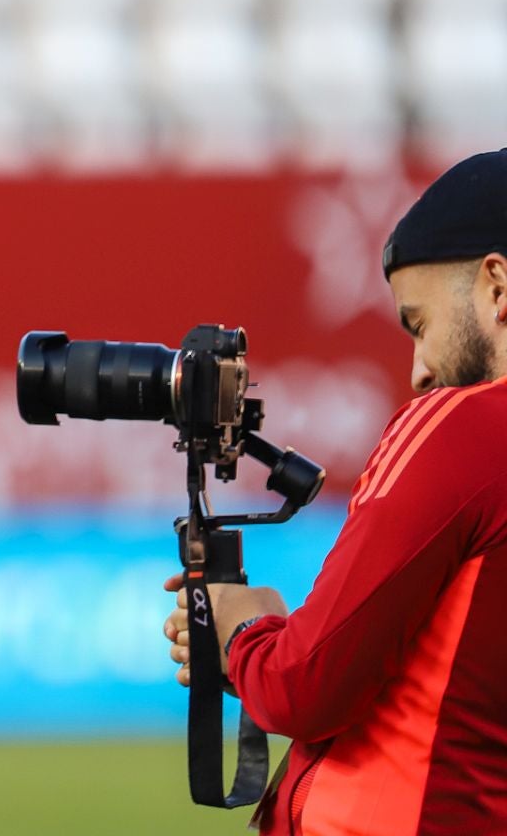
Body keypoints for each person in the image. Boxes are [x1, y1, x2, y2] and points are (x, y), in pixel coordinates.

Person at [163, 149, 507, 834]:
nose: (420, 371)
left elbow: (306, 687)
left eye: (419, 323)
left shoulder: (466, 426)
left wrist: (244, 626)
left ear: (497, 287)